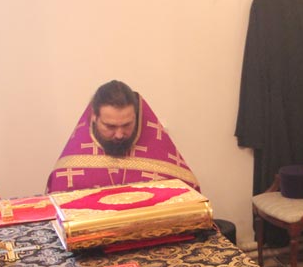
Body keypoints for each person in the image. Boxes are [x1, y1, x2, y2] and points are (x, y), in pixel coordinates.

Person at [45, 80, 200, 194]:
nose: (119, 135)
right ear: (94, 117)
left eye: (127, 125)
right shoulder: (69, 171)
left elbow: (190, 194)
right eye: (110, 127)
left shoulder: (164, 164)